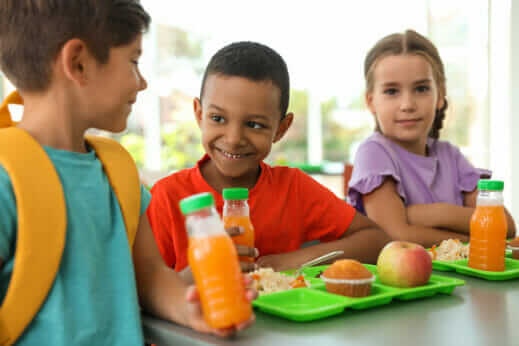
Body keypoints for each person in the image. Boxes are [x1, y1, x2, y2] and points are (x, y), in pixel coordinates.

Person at [0, 1, 254, 344]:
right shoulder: (5, 177)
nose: (142, 82)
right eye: (133, 61)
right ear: (78, 62)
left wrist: (187, 309)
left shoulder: (117, 170)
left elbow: (148, 275)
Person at [147, 41, 390, 275]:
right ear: (199, 115)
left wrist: (293, 261)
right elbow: (146, 288)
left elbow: (375, 240)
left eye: (254, 124)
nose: (233, 139)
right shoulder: (167, 197)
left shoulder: (293, 188)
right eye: (218, 118)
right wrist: (201, 271)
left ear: (282, 129)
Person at [348, 29, 516, 248]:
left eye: (421, 88)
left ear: (440, 95)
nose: (407, 104)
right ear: (370, 101)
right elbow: (397, 236)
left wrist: (432, 213)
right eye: (391, 91)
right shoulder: (373, 153)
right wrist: (478, 239)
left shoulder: (450, 155)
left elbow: (506, 225)